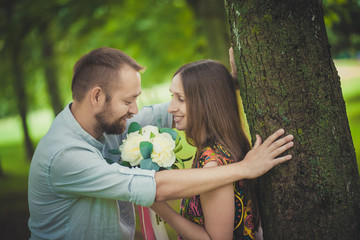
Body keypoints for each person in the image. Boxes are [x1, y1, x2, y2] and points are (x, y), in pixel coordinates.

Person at [27, 47, 294, 240]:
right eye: (128, 100)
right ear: (97, 97)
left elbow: (179, 108)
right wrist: (245, 168)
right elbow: (155, 188)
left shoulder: (109, 125)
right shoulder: (64, 156)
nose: (135, 110)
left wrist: (226, 86)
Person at [150, 59, 281, 239]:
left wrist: (158, 207)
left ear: (206, 103)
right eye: (172, 97)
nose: (171, 108)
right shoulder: (224, 147)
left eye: (180, 99)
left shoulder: (213, 164)